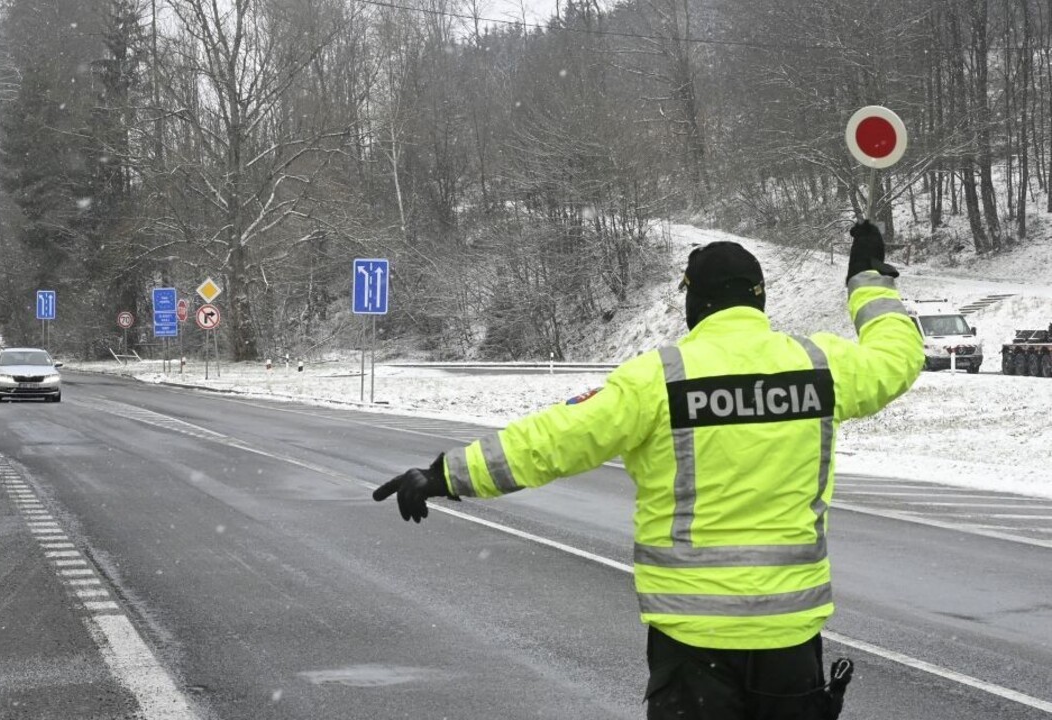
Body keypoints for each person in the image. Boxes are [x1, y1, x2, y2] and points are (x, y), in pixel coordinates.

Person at [373, 221, 922, 719]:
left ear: (696, 300)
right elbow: (898, 357)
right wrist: (867, 281)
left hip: (694, 644)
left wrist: (448, 474)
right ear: (758, 299)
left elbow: (555, 440)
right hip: (789, 639)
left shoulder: (658, 378)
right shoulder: (819, 367)